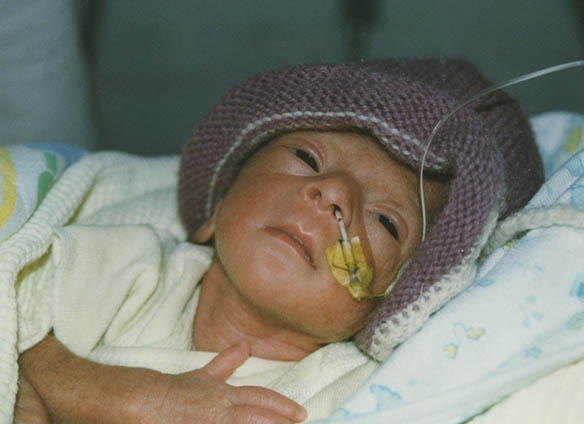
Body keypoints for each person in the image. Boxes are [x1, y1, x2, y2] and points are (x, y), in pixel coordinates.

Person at [14, 58, 543, 423]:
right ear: (217, 207)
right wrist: (132, 399)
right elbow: (13, 321)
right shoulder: (130, 267)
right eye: (307, 158)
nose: (334, 193)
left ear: (392, 306)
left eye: (386, 222)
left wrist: (49, 386)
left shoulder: (344, 391)